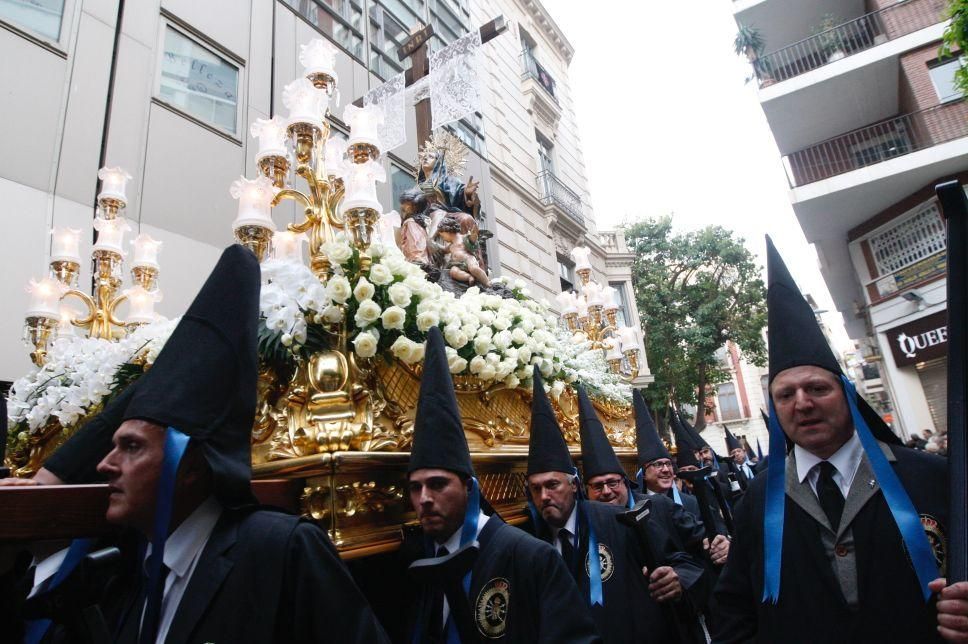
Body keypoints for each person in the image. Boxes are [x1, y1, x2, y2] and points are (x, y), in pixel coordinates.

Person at [10, 246, 390, 643]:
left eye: (132, 447)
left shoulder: (280, 551)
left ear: (191, 464)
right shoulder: (127, 565)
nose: (105, 464)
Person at [711, 237, 968, 643]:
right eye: (785, 395)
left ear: (848, 395)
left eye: (817, 388)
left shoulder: (932, 476)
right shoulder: (758, 500)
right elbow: (734, 610)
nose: (802, 404)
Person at [404, 327, 599, 643]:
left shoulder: (530, 557)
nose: (424, 498)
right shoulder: (416, 565)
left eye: (438, 484)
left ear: (469, 487)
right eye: (415, 487)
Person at [525, 370, 708, 643]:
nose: (544, 496)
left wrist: (677, 577)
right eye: (535, 488)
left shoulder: (625, 521)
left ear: (574, 486)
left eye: (552, 485)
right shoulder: (531, 540)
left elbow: (681, 562)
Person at [577, 385, 636, 508]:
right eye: (597, 486)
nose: (606, 491)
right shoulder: (582, 525)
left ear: (625, 483)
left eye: (612, 483)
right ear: (587, 491)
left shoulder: (658, 508)